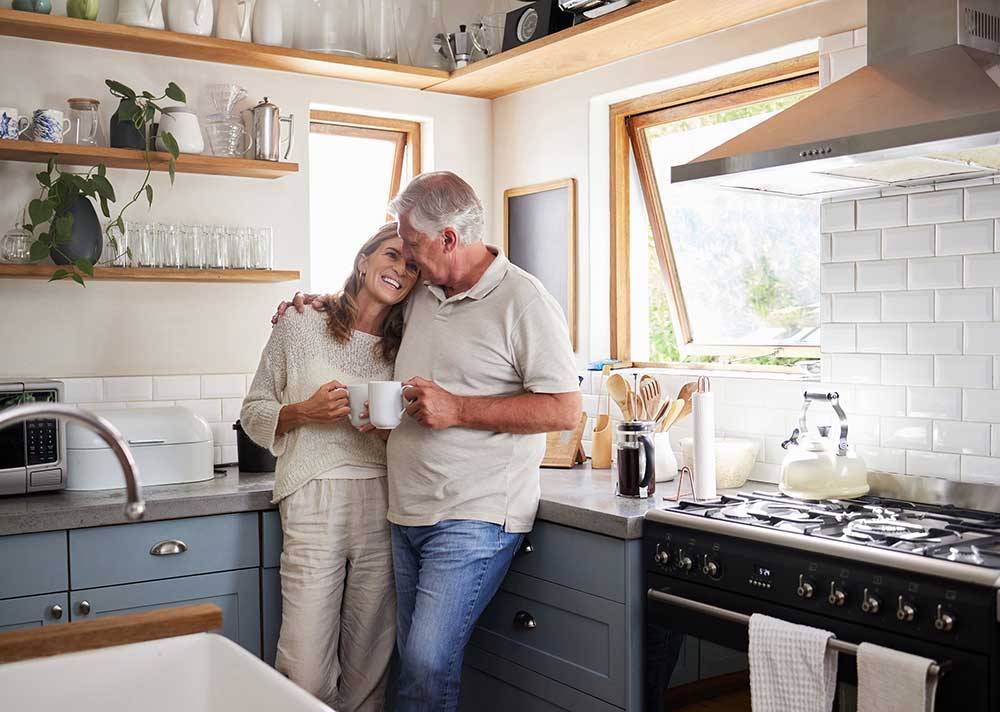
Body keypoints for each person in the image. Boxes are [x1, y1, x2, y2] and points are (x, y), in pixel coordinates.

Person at [277, 171, 581, 711]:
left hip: (474, 515)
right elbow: (368, 300)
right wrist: (313, 303)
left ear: (447, 238)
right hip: (407, 512)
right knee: (409, 666)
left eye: (412, 241)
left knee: (425, 662)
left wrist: (459, 408)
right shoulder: (424, 292)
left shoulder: (524, 301)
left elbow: (564, 409)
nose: (408, 257)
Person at [242, 222, 419, 712]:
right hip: (313, 496)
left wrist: (388, 430)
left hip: (386, 501)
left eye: (410, 266)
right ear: (363, 261)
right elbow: (253, 410)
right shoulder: (301, 323)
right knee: (303, 667)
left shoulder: (411, 344)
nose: (399, 270)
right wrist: (304, 412)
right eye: (390, 255)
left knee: (369, 666)